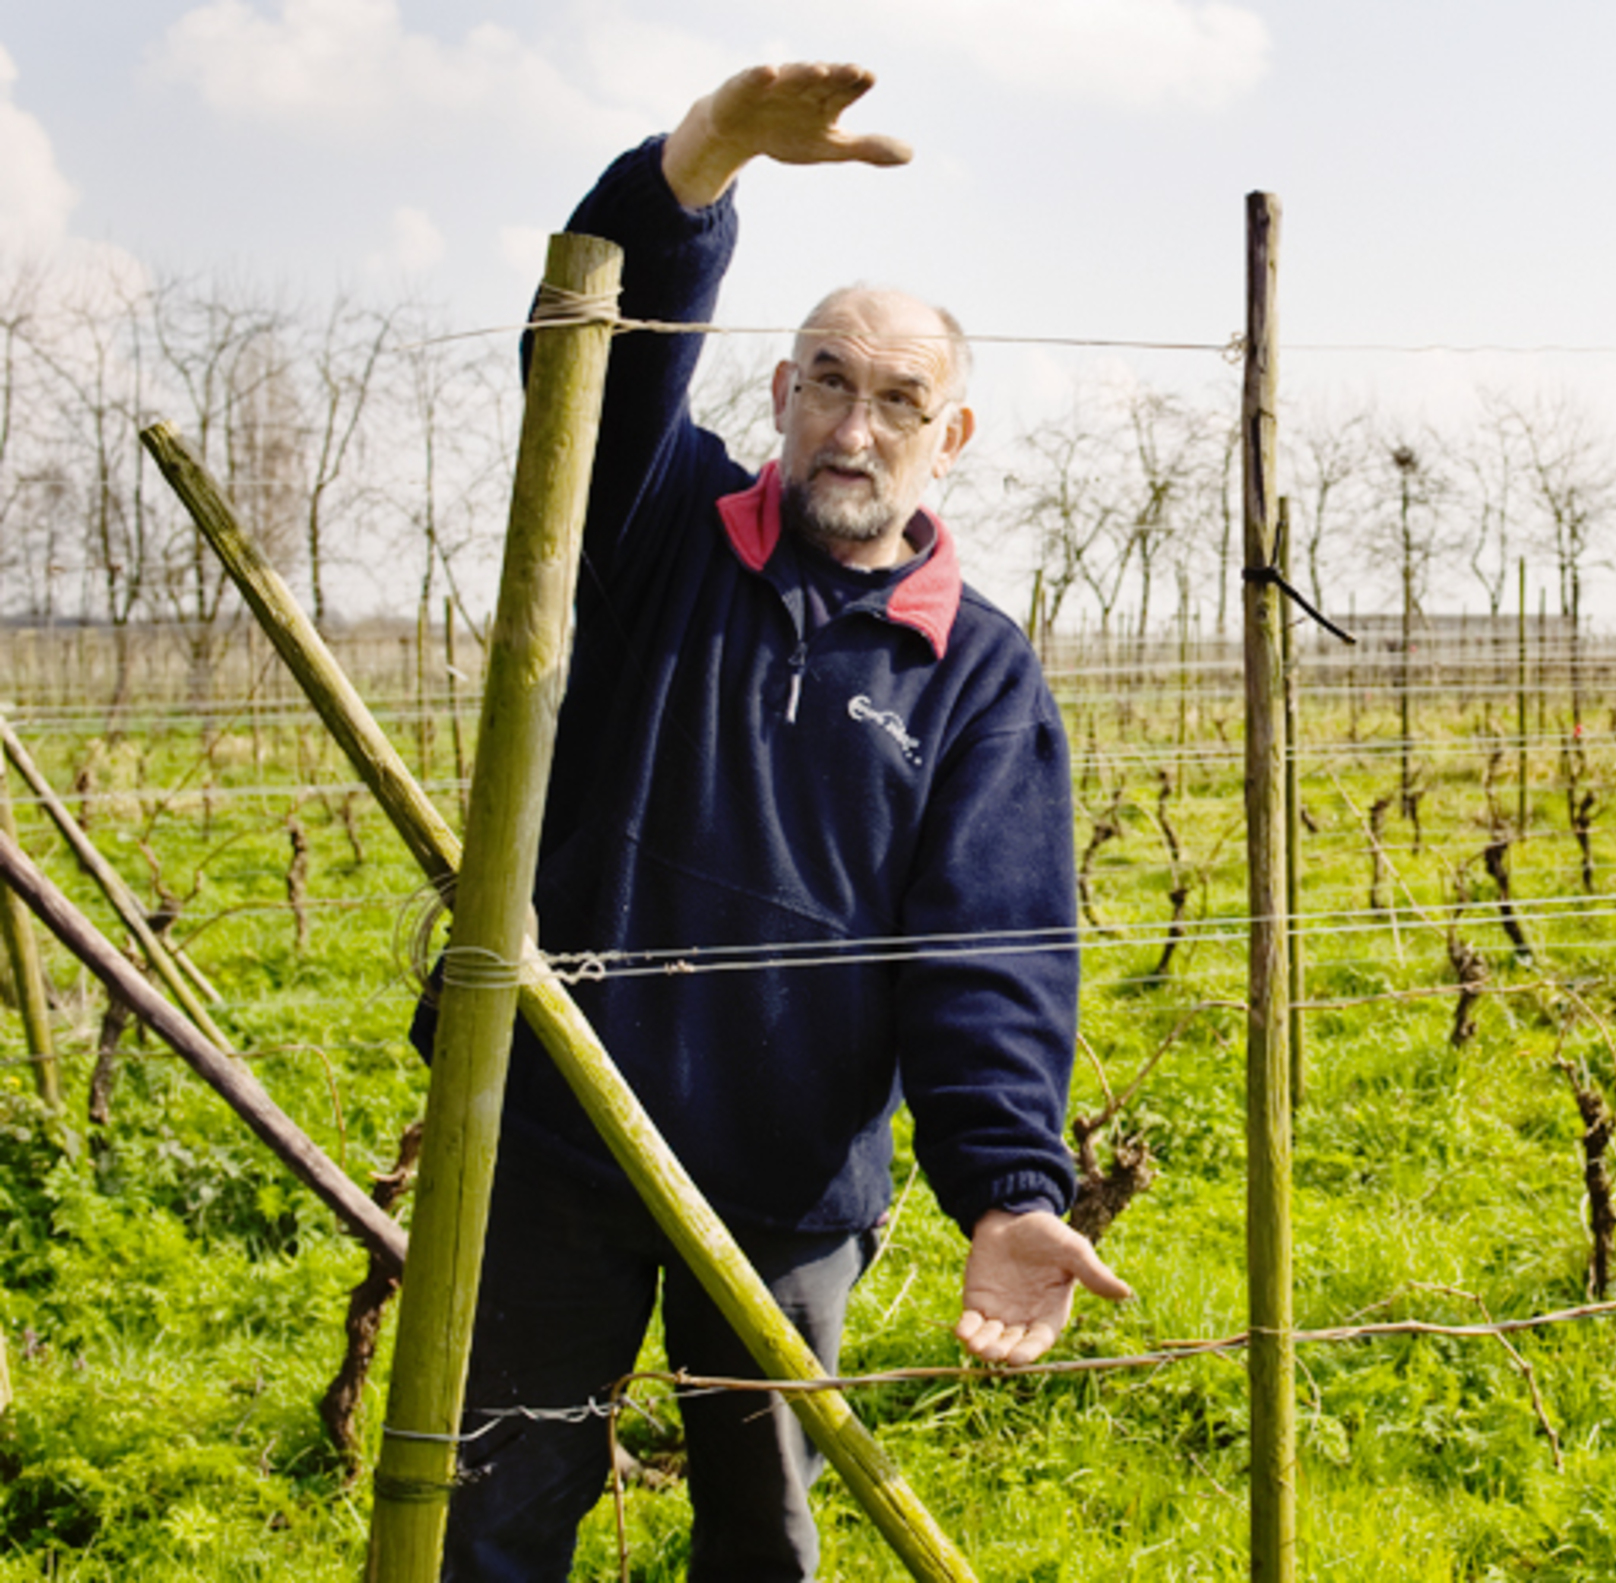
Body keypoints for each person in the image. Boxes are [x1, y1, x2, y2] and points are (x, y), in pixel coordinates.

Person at [439, 62, 1130, 1581]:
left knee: (761, 1534)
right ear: (777, 396)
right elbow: (585, 364)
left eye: (898, 401)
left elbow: (993, 953)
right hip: (555, 1135)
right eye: (827, 382)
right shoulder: (663, 530)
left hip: (790, 1188)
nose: (854, 428)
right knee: (493, 1518)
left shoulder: (978, 674)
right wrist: (697, 168)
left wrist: (1010, 1191)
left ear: (953, 434)